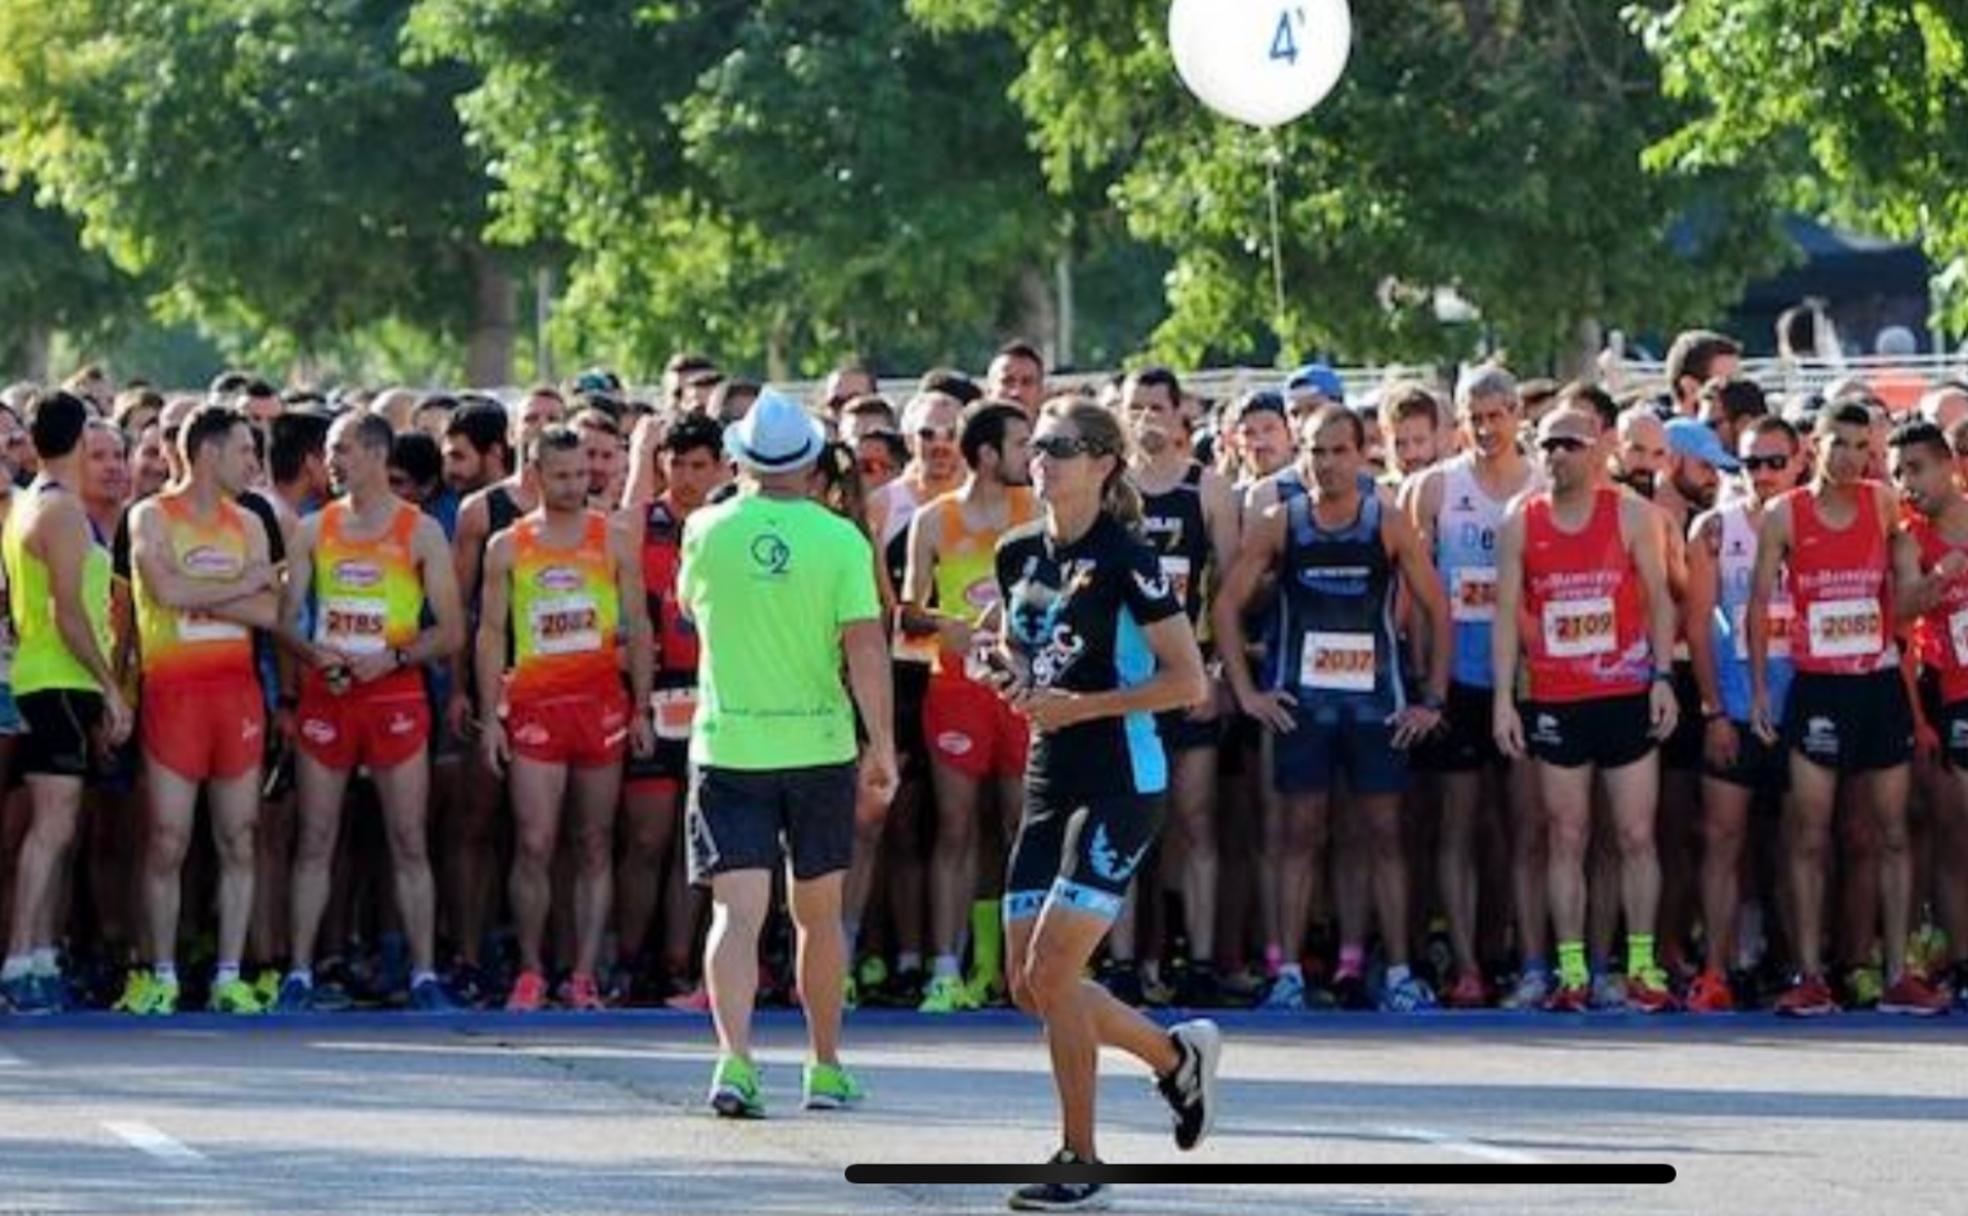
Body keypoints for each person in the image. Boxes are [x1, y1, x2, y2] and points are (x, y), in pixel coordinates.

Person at [986, 396, 1215, 1212]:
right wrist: (1009, 664)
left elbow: (1188, 683)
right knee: (1025, 983)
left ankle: (1080, 1159)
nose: (1041, 455)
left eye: (1063, 446)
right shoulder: (1017, 553)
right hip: (1051, 776)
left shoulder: (1128, 557)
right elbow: (1026, 644)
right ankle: (1171, 1057)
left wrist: (1077, 707)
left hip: (1123, 775)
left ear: (1103, 464)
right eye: (1036, 442)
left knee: (1054, 972)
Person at [679, 390, 897, 1117]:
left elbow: (688, 608)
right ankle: (825, 1066)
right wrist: (883, 744)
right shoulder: (842, 540)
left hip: (731, 742)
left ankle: (735, 1063)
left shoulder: (705, 529)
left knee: (734, 916)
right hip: (818, 742)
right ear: (811, 460)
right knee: (818, 916)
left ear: (741, 458)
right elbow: (866, 647)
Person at [1215, 405, 1450, 1014]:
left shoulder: (1388, 521)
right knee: (1297, 837)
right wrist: (1248, 693)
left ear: (1362, 453)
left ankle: (1397, 971)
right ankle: (1287, 973)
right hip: (1304, 708)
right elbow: (1226, 606)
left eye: (1338, 451)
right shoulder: (1280, 521)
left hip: (1376, 708)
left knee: (1383, 837)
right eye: (1315, 452)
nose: (1326, 465)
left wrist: (1433, 699)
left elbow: (1436, 607)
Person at [1748, 403, 1943, 1015]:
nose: (1852, 457)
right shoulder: (1785, 513)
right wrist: (1758, 691)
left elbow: (1906, 583)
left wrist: (1926, 582)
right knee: (1809, 834)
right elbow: (1757, 605)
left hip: (1878, 683)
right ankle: (1809, 973)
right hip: (1818, 687)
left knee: (1889, 832)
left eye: (1863, 446)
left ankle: (1895, 974)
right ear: (1814, 444)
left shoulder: (1883, 504)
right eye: (1841, 444)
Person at [1493, 397, 1680, 1013]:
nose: (1556, 456)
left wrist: (1661, 677)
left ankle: (1641, 965)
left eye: (1570, 443)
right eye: (1546, 444)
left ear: (1600, 448)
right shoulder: (1523, 521)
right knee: (1566, 835)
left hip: (1625, 692)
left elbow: (1659, 599)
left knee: (1634, 834)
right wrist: (1503, 701)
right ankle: (1570, 969)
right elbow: (1504, 617)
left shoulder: (1631, 516)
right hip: (1557, 697)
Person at [274, 413, 464, 1012]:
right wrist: (312, 655)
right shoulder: (312, 529)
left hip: (394, 693)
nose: (331, 461)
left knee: (408, 839)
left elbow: (453, 630)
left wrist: (395, 657)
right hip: (329, 693)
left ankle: (426, 974)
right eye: (330, 451)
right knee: (316, 838)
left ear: (379, 456)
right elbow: (284, 621)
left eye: (344, 450)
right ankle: (300, 973)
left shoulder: (421, 531)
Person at [478, 425, 655, 1010]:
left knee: (595, 842)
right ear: (534, 476)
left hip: (600, 704)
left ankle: (582, 974)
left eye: (583, 474)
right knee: (533, 842)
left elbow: (639, 624)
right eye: (562, 476)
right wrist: (488, 718)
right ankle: (530, 969)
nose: (576, 485)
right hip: (535, 709)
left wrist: (643, 708)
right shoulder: (508, 545)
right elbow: (490, 634)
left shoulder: (613, 538)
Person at [120, 405, 280, 1015]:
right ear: (209, 453)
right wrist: (243, 586)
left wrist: (204, 594)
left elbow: (270, 615)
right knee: (167, 839)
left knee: (239, 837)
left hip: (234, 694)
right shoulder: (151, 515)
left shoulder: (252, 522)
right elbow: (165, 593)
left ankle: (229, 976)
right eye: (245, 451)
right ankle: (160, 972)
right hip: (173, 694)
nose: (254, 464)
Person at [1403, 365, 1543, 1008]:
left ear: (1518, 414)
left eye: (1498, 415)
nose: (1487, 429)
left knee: (1523, 826)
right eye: (1475, 417)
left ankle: (1527, 958)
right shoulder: (1434, 488)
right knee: (1457, 826)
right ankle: (1465, 964)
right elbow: (1412, 594)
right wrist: (1424, 683)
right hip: (1456, 678)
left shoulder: (1543, 485)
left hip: (1529, 679)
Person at [901, 401, 1038, 1013]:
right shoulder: (934, 520)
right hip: (955, 691)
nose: (1030, 458)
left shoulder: (1035, 513)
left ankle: (1014, 967)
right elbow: (906, 611)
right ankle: (945, 969)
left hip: (1020, 689)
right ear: (987, 454)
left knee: (1020, 828)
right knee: (955, 828)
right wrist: (944, 625)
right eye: (1019, 446)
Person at [0, 391, 132, 1012]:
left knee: (55, 827)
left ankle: (39, 953)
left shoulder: (32, 504)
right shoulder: (61, 512)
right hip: (59, 676)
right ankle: (23, 960)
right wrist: (110, 686)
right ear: (78, 441)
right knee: (51, 829)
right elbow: (69, 612)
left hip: (49, 675)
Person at [1123, 368, 1239, 1007]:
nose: (1146, 417)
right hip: (1124, 680)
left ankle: (1196, 958)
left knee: (1194, 822)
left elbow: (1228, 589)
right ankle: (1118, 962)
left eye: (1157, 406)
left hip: (1187, 676)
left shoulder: (1208, 489)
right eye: (1134, 406)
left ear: (1179, 413)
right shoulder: (1109, 490)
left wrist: (1217, 669)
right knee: (1124, 824)